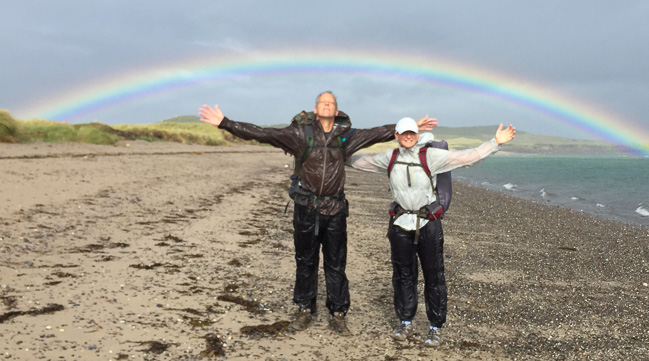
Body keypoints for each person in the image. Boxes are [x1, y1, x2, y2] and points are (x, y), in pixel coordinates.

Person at [198, 92, 437, 335]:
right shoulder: (299, 134)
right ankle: (304, 309)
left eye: (331, 102)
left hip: (335, 211)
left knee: (336, 264)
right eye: (323, 101)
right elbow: (263, 133)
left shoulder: (346, 137)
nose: (327, 104)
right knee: (305, 262)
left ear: (336, 111)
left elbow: (376, 133)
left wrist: (408, 126)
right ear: (315, 109)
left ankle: (339, 312)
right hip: (306, 209)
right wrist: (225, 122)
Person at [346, 117, 515, 346]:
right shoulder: (390, 157)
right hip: (400, 225)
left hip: (428, 224)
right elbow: (358, 162)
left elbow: (467, 158)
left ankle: (435, 327)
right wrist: (330, 153)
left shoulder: (431, 157)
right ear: (395, 135)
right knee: (403, 276)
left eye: (412, 133)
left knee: (434, 277)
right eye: (403, 133)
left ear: (417, 135)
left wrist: (495, 142)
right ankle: (405, 322)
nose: (408, 137)